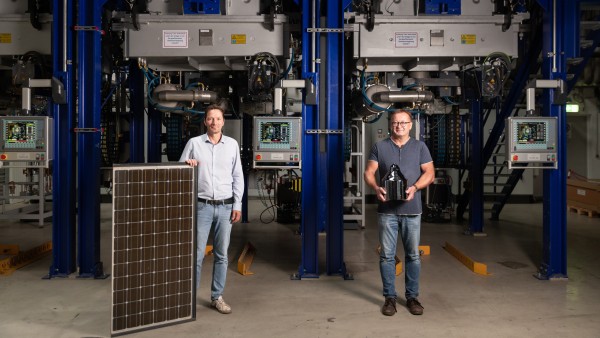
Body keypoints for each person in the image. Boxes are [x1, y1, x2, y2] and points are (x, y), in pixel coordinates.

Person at [364, 109, 434, 316]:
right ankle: (390, 298)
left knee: (413, 255)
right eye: (395, 123)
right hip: (387, 211)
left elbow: (429, 173)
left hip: (412, 211)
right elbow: (369, 172)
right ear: (390, 125)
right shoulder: (380, 146)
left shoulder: (420, 147)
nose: (399, 126)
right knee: (386, 256)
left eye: (403, 122)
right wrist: (376, 188)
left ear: (410, 125)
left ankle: (412, 297)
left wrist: (415, 188)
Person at [180, 104, 244, 314]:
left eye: (218, 119)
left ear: (223, 122)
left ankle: (217, 297)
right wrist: (187, 165)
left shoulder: (232, 145)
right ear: (205, 121)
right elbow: (179, 172)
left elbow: (238, 177)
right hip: (202, 207)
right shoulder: (194, 143)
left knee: (222, 255)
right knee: (197, 254)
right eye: (210, 119)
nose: (214, 122)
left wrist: (237, 204)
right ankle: (189, 299)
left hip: (226, 208)